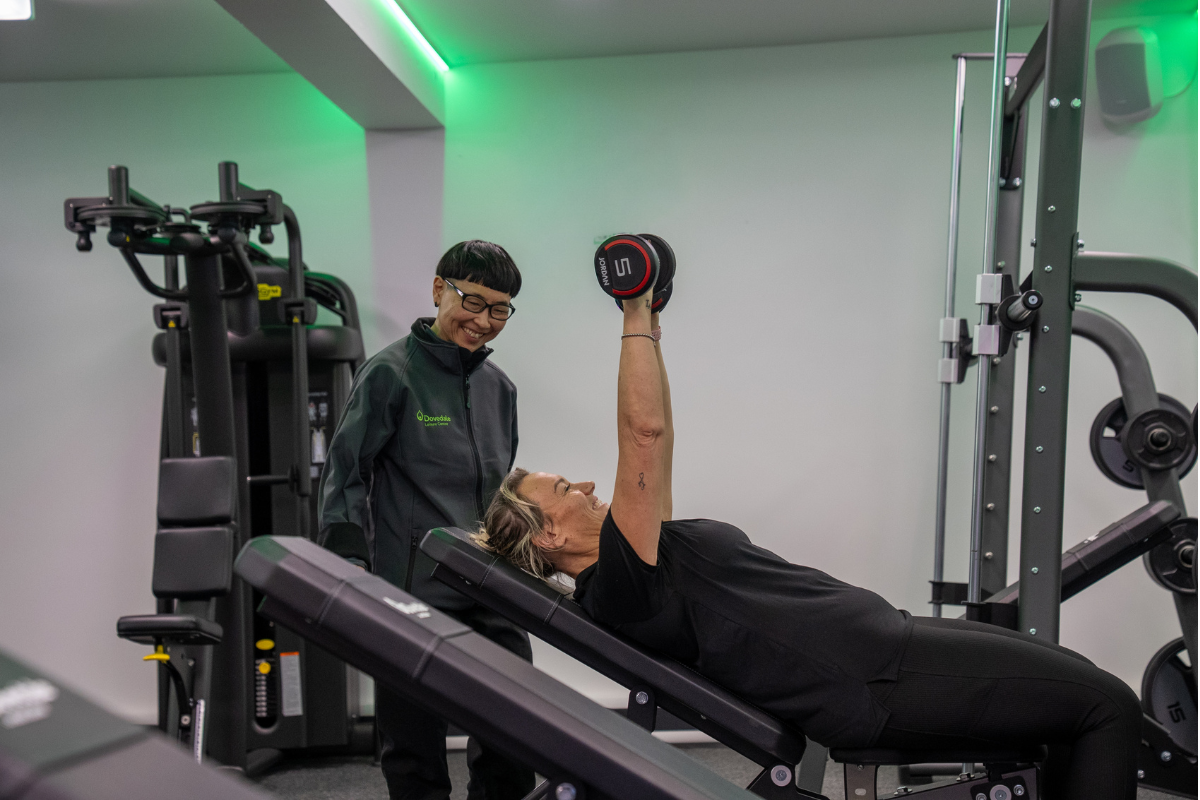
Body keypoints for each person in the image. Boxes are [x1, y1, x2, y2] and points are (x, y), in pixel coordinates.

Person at [475, 284, 1143, 800]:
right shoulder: (620, 585)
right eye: (562, 487)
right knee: (1108, 708)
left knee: (1075, 702)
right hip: (873, 682)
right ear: (550, 532)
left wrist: (649, 327)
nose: (586, 483)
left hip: (887, 649)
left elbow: (660, 435)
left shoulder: (640, 553)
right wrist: (628, 312)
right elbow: (641, 436)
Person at [318, 241, 534, 800]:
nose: (483, 320)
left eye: (500, 309)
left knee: (516, 736)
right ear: (440, 289)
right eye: (473, 301)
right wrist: (347, 562)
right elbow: (346, 472)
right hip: (413, 590)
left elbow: (500, 492)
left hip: (491, 587)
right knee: (413, 747)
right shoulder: (391, 374)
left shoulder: (500, 389)